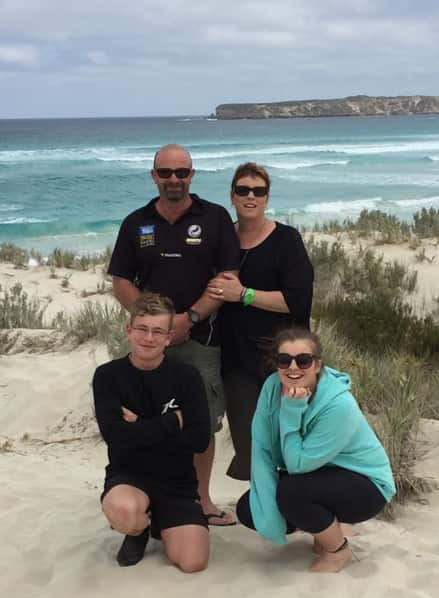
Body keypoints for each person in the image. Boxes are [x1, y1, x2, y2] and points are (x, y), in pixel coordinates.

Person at [107, 144, 240, 526]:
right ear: (153, 176)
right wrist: (156, 326)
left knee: (202, 422)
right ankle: (149, 495)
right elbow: (120, 281)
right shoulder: (136, 223)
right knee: (146, 417)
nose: (174, 180)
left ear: (192, 175)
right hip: (150, 343)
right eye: (165, 173)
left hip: (201, 340)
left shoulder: (214, 218)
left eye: (181, 172)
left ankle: (202, 500)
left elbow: (228, 278)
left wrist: (191, 316)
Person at [236, 327, 396, 573]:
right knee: (251, 507)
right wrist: (269, 515)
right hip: (319, 475)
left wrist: (292, 409)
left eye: (303, 360)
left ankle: (337, 550)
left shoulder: (339, 405)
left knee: (292, 491)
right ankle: (325, 528)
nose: (293, 367)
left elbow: (298, 464)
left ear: (317, 365)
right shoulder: (272, 388)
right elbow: (262, 446)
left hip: (366, 486)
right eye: (284, 360)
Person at [207, 162, 313, 482]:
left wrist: (244, 294)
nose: (250, 196)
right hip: (236, 361)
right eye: (243, 190)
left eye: (258, 191)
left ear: (267, 197)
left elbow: (297, 301)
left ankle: (298, 507)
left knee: (289, 439)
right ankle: (268, 506)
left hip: (281, 359)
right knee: (249, 443)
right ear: (232, 196)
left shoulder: (286, 240)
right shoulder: (222, 241)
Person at [93, 293, 211, 571]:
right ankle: (138, 531)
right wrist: (172, 422)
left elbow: (200, 439)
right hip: (129, 476)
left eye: (158, 331)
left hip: (177, 482)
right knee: (124, 511)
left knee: (193, 562)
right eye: (142, 329)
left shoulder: (187, 377)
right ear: (129, 330)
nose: (148, 338)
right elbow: (116, 437)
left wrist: (139, 425)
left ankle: (160, 521)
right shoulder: (108, 376)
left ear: (169, 337)